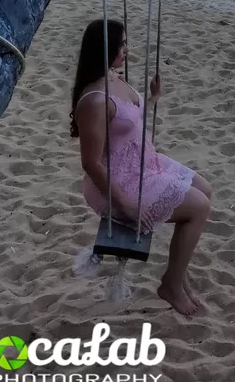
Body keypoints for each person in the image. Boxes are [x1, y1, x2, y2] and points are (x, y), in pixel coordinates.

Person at [70, 18, 212, 316]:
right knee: (198, 207)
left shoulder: (115, 78)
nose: (127, 50)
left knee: (204, 189)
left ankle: (178, 271)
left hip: (142, 161)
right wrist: (127, 204)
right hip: (117, 180)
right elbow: (91, 163)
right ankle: (171, 285)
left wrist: (152, 99)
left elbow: (128, 119)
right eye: (121, 44)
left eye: (126, 43)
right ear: (104, 47)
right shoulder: (94, 100)